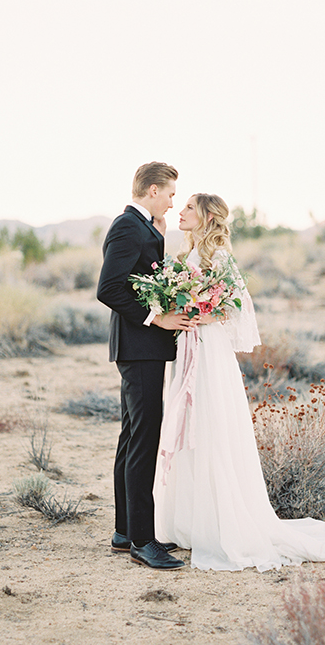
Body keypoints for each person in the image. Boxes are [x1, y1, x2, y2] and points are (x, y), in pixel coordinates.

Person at [154, 193, 325, 572]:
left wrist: (202, 314)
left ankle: (218, 521)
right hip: (189, 348)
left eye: (189, 207)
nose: (181, 211)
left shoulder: (218, 258)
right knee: (190, 426)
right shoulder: (185, 255)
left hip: (208, 352)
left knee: (209, 424)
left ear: (207, 217)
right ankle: (187, 520)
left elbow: (233, 308)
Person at [97, 161, 198, 570]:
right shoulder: (127, 227)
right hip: (138, 348)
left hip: (142, 349)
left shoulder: (147, 228)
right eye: (171, 193)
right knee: (144, 440)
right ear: (153, 191)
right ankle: (142, 540)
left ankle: (126, 531)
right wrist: (157, 318)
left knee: (132, 436)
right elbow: (109, 289)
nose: (174, 201)